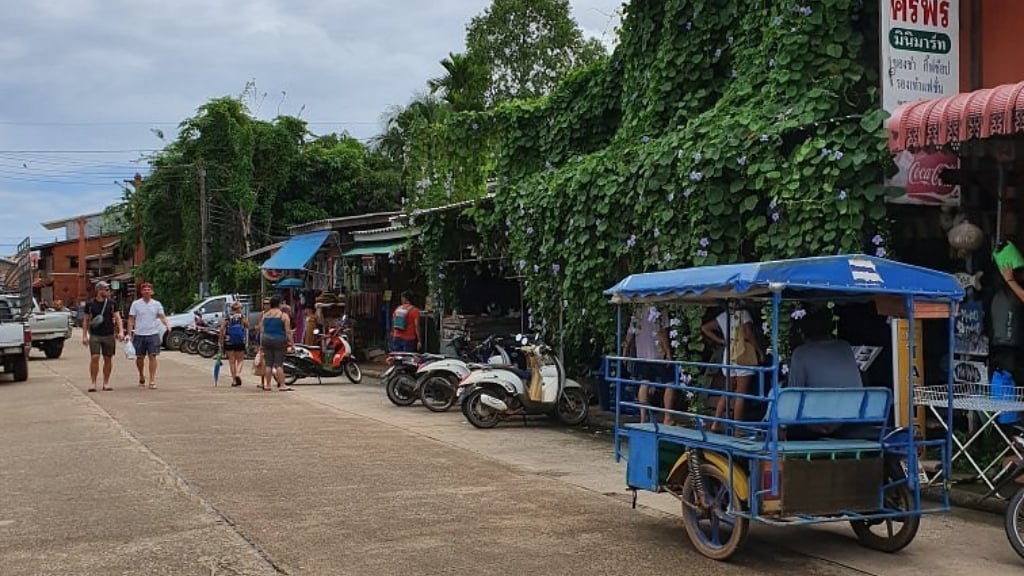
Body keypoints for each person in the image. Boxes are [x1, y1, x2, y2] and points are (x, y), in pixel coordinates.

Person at [785, 307, 863, 439]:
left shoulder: (801, 353)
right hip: (852, 418)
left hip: (817, 423)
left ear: (802, 333)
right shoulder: (845, 346)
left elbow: (794, 394)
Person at [702, 303, 763, 431]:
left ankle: (715, 423)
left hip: (728, 354)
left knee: (727, 390)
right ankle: (737, 428)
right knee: (741, 393)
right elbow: (748, 333)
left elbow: (705, 328)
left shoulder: (723, 316)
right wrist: (758, 350)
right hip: (742, 354)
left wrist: (722, 341)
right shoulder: (744, 314)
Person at [623, 305, 675, 424]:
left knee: (644, 382)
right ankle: (667, 417)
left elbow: (630, 333)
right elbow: (662, 332)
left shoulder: (638, 311)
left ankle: (643, 417)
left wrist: (624, 352)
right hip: (658, 354)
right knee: (670, 383)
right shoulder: (660, 309)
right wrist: (668, 352)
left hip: (642, 354)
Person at [81, 281, 124, 392]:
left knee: (108, 358)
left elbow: (117, 317)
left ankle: (106, 382)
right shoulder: (90, 304)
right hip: (95, 334)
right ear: (99, 290)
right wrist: (84, 335)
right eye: (106, 289)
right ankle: (93, 382)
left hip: (109, 334)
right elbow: (86, 320)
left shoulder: (112, 303)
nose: (108, 291)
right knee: (94, 357)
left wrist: (121, 331)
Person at [127, 282, 171, 389]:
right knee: (140, 357)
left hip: (153, 334)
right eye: (144, 290)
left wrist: (167, 325)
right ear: (141, 292)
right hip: (139, 334)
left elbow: (162, 316)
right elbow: (131, 319)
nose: (146, 291)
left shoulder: (157, 304)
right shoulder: (136, 304)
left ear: (152, 292)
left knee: (153, 356)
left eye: (148, 290)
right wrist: (129, 334)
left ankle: (152, 380)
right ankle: (141, 375)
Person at [260, 296, 294, 391]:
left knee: (268, 364)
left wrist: (261, 344)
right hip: (279, 339)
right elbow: (288, 332)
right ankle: (282, 385)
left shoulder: (265, 315)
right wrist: (292, 343)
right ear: (279, 304)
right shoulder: (283, 315)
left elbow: (262, 331)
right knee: (279, 364)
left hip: (266, 339)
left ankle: (267, 385)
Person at [219, 301, 249, 387]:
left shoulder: (227, 317)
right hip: (239, 340)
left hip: (229, 340)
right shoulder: (242, 316)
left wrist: (221, 341)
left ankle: (234, 381)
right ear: (239, 309)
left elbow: (222, 329)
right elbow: (247, 325)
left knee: (231, 361)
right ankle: (238, 373)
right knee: (240, 359)